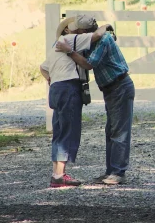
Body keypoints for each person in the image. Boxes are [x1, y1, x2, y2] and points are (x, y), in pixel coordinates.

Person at [55, 26, 135, 185]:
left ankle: (118, 173)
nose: (76, 36)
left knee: (119, 132)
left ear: (85, 32)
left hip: (119, 86)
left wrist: (69, 51)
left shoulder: (103, 40)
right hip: (111, 89)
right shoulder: (89, 43)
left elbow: (89, 64)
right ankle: (111, 171)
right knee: (111, 131)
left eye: (78, 33)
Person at [40, 15, 112, 188]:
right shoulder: (72, 40)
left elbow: (43, 68)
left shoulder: (55, 46)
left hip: (56, 88)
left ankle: (56, 173)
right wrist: (107, 25)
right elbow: (97, 36)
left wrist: (50, 78)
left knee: (59, 130)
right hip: (68, 86)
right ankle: (60, 175)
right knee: (69, 130)